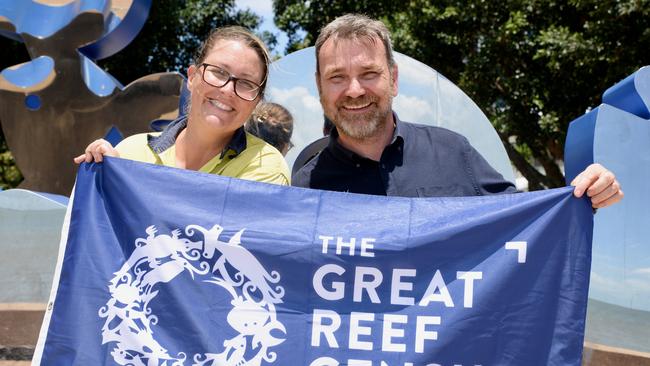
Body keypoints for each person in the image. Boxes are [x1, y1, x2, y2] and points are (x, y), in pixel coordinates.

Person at [292, 14, 623, 208]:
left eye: (369, 74)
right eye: (337, 77)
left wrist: (583, 198)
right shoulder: (303, 188)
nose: (354, 90)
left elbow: (524, 223)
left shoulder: (453, 152)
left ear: (393, 79)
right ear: (320, 87)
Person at [74, 26, 290, 185]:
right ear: (192, 77)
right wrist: (107, 175)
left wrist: (128, 183)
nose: (227, 89)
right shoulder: (130, 152)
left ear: (257, 101)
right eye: (219, 72)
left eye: (246, 83)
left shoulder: (265, 166)